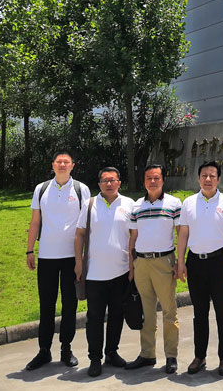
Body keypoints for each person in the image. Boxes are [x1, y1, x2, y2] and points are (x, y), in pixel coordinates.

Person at [25, 150, 89, 371]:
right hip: (47, 256)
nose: (62, 165)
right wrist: (29, 250)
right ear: (53, 165)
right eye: (58, 162)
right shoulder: (41, 189)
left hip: (72, 256)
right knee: (46, 305)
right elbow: (35, 221)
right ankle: (44, 350)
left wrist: (82, 258)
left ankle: (66, 349)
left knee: (70, 304)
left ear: (72, 166)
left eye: (66, 162)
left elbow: (85, 225)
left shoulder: (81, 189)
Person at [176, 160, 223, 376]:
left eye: (212, 176)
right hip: (195, 262)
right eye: (204, 175)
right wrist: (181, 261)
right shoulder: (188, 203)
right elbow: (183, 233)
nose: (208, 179)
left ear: (218, 179)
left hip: (219, 261)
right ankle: (199, 356)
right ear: (198, 178)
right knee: (199, 312)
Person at [75, 167, 133, 377]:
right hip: (94, 274)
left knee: (117, 315)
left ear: (119, 183)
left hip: (121, 272)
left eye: (113, 180)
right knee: (95, 318)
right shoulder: (89, 204)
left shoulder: (129, 204)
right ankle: (95, 358)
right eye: (105, 181)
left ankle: (111, 352)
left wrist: (133, 266)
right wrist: (78, 262)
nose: (109, 184)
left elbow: (134, 236)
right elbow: (80, 234)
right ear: (99, 184)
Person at [125, 164, 181, 374]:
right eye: (149, 178)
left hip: (164, 261)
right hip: (141, 263)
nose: (153, 181)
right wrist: (132, 265)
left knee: (169, 311)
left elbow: (181, 233)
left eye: (156, 177)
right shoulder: (136, 206)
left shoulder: (174, 203)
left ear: (163, 180)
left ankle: (171, 355)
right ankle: (147, 354)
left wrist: (180, 262)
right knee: (146, 312)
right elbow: (133, 237)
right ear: (144, 181)